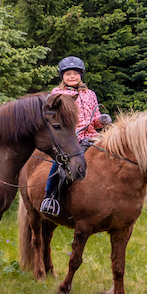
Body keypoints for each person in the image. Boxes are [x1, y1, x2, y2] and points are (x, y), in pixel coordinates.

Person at [40, 56, 112, 213]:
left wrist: (102, 120)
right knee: (59, 162)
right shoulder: (57, 93)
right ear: (62, 77)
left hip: (92, 136)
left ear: (81, 75)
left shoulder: (90, 94)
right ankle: (50, 196)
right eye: (68, 74)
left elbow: (95, 120)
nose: (72, 76)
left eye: (75, 73)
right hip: (71, 137)